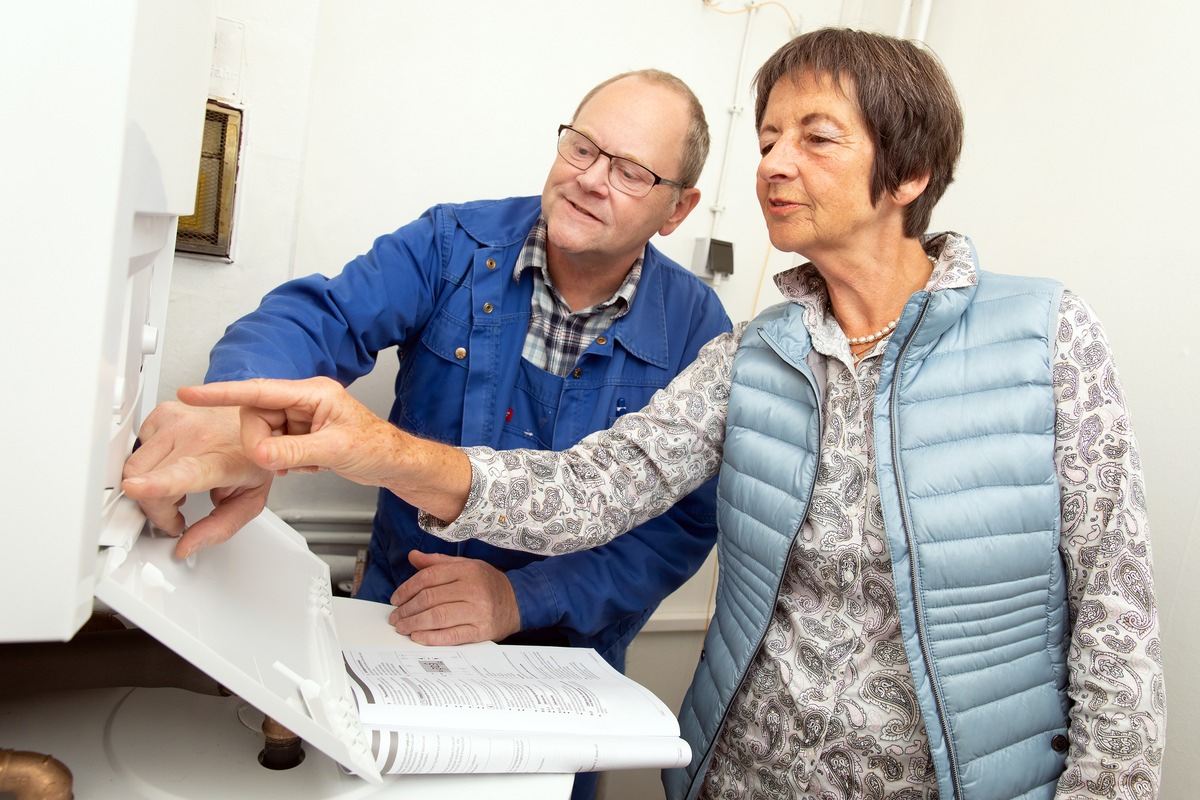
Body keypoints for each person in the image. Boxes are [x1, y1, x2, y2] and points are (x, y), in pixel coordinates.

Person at [135, 28, 1165, 800]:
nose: (772, 164)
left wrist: (516, 595)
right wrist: (319, 436)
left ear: (908, 173)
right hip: (721, 770)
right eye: (767, 139)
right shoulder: (753, 351)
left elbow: (1117, 620)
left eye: (813, 137)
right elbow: (586, 488)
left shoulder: (1041, 335)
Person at [123, 68, 730, 797]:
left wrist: (518, 600)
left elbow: (678, 530)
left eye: (631, 171)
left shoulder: (699, 331)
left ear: (677, 208)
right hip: (395, 630)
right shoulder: (452, 244)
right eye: (582, 147)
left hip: (560, 672)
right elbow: (323, 317)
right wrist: (238, 407)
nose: (591, 180)